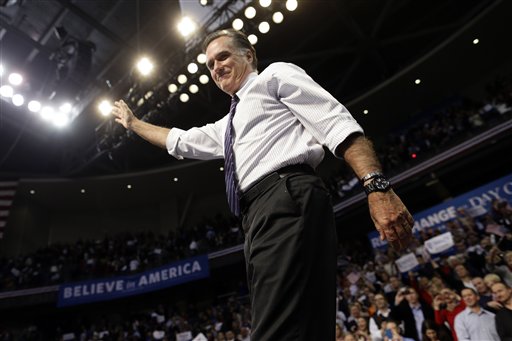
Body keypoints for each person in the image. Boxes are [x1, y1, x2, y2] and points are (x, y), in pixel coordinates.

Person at [112, 28, 414, 341]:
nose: (216, 67)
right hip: (257, 216)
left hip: (285, 197)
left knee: (275, 329)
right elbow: (180, 141)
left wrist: (377, 188)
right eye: (210, 64)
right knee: (304, 327)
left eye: (223, 56)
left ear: (249, 55)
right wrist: (134, 124)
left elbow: (335, 122)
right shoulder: (227, 125)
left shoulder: (274, 76)